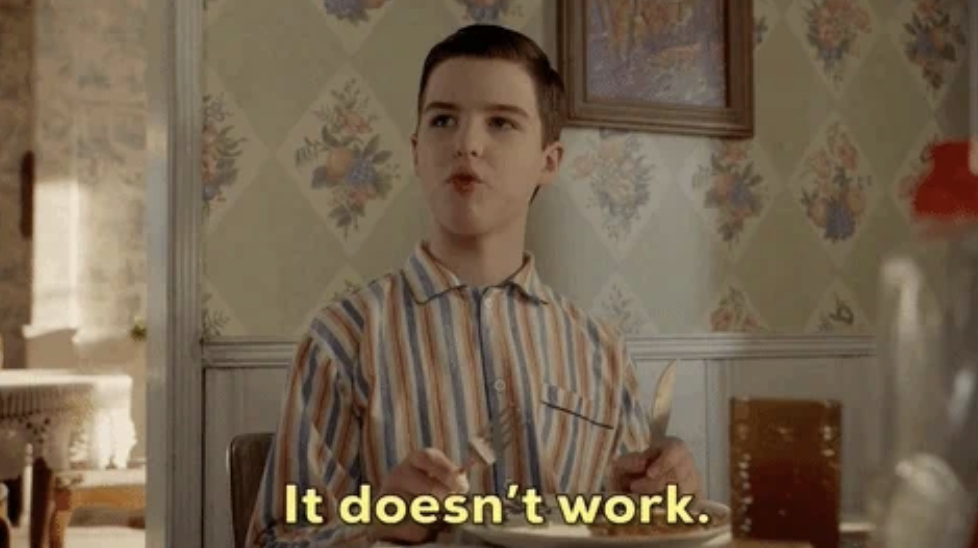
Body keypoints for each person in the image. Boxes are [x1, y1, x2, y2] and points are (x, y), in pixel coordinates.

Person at [246, 24, 702, 547]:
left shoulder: (601, 350)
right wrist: (376, 526)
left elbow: (623, 524)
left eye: (502, 123)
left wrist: (651, 499)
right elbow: (271, 539)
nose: (466, 144)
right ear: (417, 152)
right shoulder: (341, 342)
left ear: (548, 162)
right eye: (443, 120)